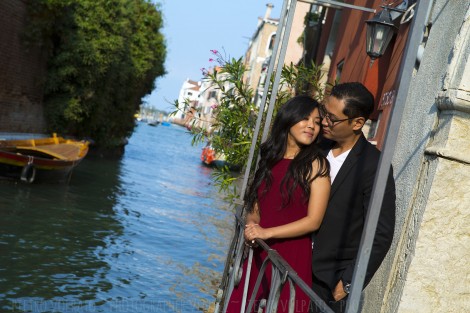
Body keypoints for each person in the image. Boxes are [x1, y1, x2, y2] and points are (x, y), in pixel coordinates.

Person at [227, 95, 331, 312]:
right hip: (259, 252)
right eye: (305, 118)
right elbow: (255, 206)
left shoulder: (316, 164)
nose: (312, 125)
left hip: (291, 255)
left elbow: (314, 221)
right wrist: (252, 226)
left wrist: (267, 233)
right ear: (289, 119)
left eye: (317, 121)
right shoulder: (270, 158)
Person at [310, 82, 396, 312]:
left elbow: (381, 232)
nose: (324, 121)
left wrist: (346, 284)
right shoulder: (315, 146)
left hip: (329, 283)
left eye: (332, 119)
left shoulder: (374, 165)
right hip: (291, 264)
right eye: (323, 113)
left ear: (357, 123)